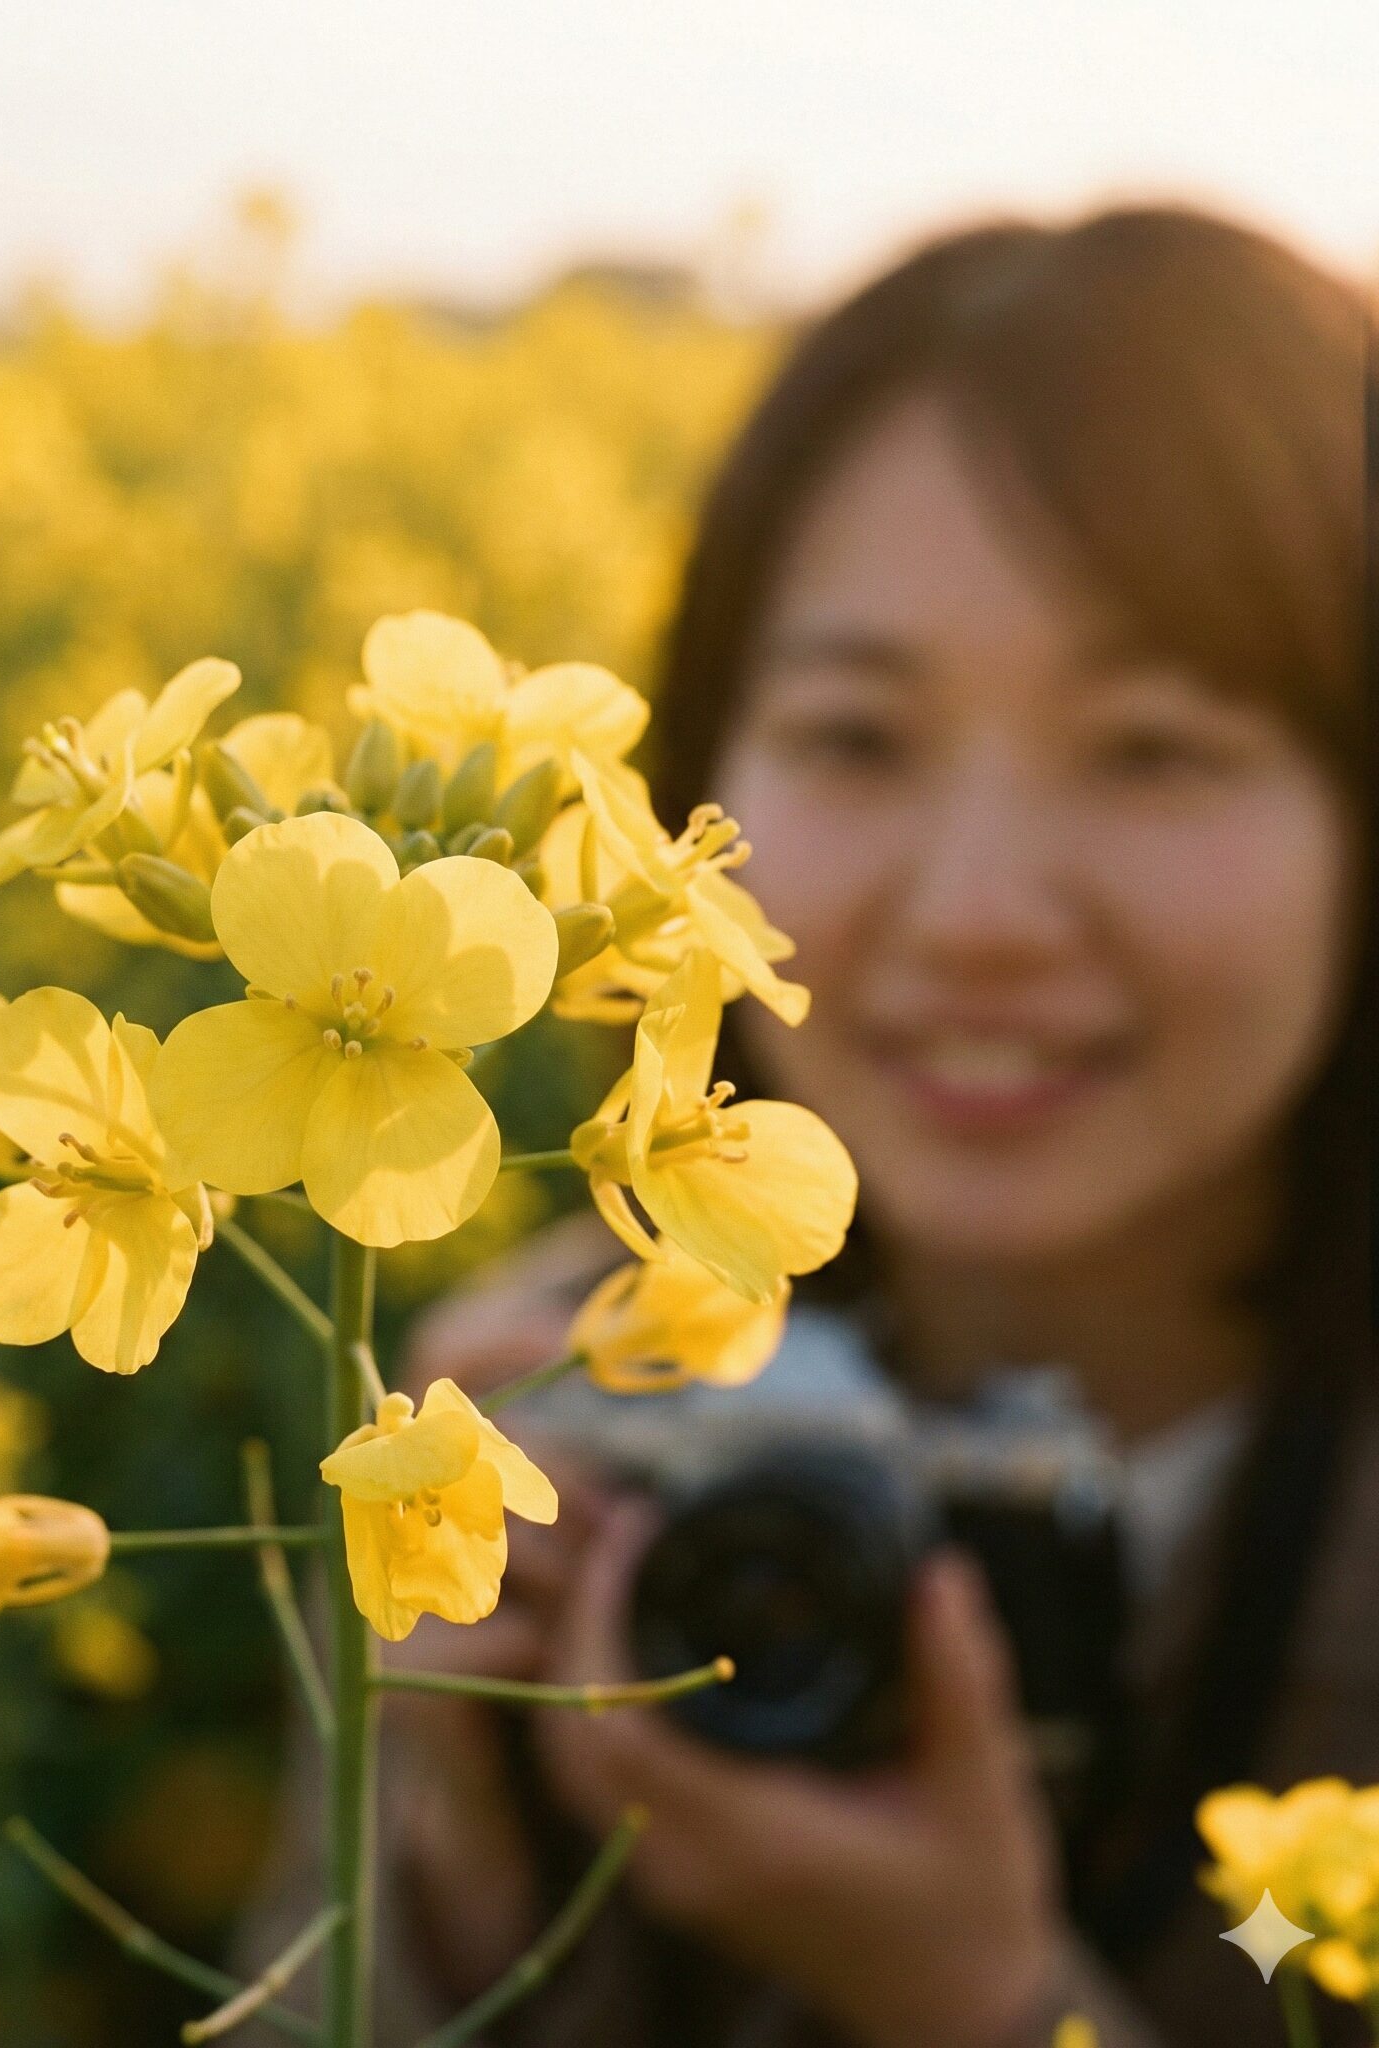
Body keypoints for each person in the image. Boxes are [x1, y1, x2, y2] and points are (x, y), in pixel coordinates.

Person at [239, 206, 1374, 2047]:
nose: (978, 911)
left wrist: (982, 2004)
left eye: (1154, 749)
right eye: (855, 737)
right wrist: (449, 1866)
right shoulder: (556, 1398)